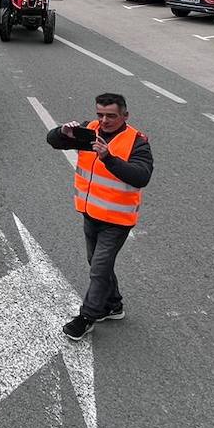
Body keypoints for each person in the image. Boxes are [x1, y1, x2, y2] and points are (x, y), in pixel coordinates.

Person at [46, 92, 154, 341]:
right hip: (91, 212)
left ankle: (87, 317)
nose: (104, 120)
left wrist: (108, 158)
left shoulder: (137, 142)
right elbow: (52, 141)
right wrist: (63, 132)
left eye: (111, 116)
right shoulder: (90, 131)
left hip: (117, 220)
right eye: (100, 114)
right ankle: (113, 305)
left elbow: (141, 176)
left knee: (99, 268)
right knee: (97, 263)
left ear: (125, 116)